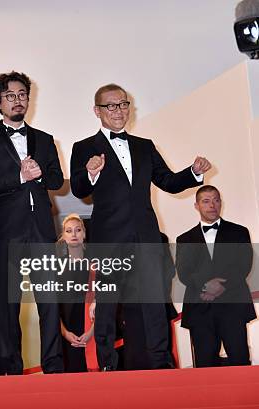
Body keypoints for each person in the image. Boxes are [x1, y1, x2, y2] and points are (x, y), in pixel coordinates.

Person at [69, 83, 211, 370]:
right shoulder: (84, 147)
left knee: (153, 302)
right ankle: (107, 363)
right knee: (107, 305)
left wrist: (194, 173)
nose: (118, 111)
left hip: (146, 236)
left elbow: (168, 181)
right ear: (97, 111)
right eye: (111, 106)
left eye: (123, 104)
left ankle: (161, 362)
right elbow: (78, 189)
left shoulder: (145, 146)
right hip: (109, 239)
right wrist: (90, 172)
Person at [0, 71, 65, 375]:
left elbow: (56, 180)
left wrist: (40, 173)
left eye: (23, 94)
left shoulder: (45, 139)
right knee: (8, 306)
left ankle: (53, 367)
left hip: (41, 230)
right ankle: (12, 370)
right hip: (7, 232)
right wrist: (19, 177)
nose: (18, 100)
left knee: (49, 304)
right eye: (10, 96)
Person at [176, 185, 255, 367]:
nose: (212, 205)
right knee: (205, 367)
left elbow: (243, 265)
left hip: (233, 307)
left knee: (240, 361)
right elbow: (184, 272)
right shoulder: (184, 238)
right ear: (196, 206)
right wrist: (207, 286)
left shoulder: (239, 232)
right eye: (206, 201)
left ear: (221, 203)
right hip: (200, 310)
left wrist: (220, 286)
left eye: (216, 200)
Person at [57, 214, 95, 373]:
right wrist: (65, 333)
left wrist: (91, 332)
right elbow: (51, 308)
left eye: (78, 230)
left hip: (93, 332)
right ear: (63, 236)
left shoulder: (96, 264)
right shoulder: (55, 268)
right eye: (69, 231)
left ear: (84, 234)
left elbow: (105, 301)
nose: (73, 234)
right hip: (66, 335)